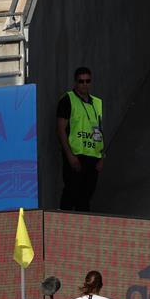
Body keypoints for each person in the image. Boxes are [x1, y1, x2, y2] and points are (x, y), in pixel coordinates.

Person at [57, 66, 103, 212]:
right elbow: (60, 129)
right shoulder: (67, 100)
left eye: (87, 81)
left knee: (86, 199)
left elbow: (99, 131)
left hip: (93, 158)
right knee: (70, 194)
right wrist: (70, 156)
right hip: (75, 156)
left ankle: (81, 229)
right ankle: (62, 226)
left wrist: (102, 157)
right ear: (75, 82)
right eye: (81, 81)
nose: (84, 84)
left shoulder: (97, 103)